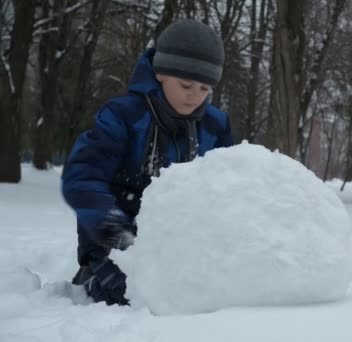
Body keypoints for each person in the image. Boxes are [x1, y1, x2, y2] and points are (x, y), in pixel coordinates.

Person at [62, 20, 233, 306]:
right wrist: (112, 230)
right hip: (112, 249)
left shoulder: (215, 126)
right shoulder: (123, 116)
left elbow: (231, 187)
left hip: (184, 252)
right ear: (160, 73)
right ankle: (91, 277)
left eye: (204, 87)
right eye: (186, 85)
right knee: (128, 300)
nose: (195, 95)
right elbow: (81, 176)